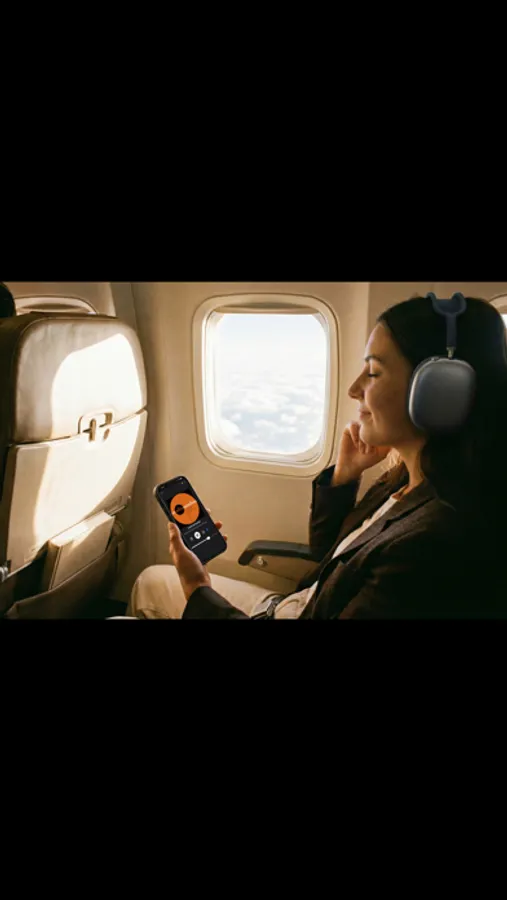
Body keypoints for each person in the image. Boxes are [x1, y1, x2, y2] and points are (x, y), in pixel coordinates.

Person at [128, 294, 507, 619]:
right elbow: (330, 560)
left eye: (373, 373)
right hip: (304, 604)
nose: (354, 389)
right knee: (150, 581)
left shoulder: (435, 542)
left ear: (440, 393)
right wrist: (345, 477)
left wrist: (196, 586)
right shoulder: (412, 478)